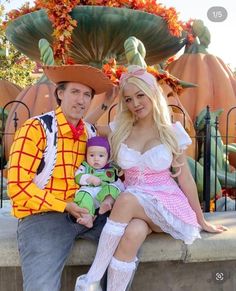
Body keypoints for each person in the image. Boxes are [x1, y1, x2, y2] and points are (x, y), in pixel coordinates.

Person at [75, 65, 228, 291]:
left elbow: (185, 179)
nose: (135, 104)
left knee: (126, 200)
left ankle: (90, 280)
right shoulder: (121, 129)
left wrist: (201, 219)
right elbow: (81, 127)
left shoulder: (171, 132)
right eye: (128, 99)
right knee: (133, 233)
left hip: (163, 203)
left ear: (152, 94)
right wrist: (107, 101)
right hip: (134, 210)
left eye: (140, 95)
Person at [7, 64, 120, 291]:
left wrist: (109, 101)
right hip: (45, 215)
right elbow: (17, 188)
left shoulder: (88, 133)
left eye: (87, 94)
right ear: (60, 94)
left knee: (127, 245)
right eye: (75, 92)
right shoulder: (36, 129)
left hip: (89, 211)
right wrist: (64, 205)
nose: (81, 100)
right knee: (42, 287)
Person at [74, 136, 122, 228]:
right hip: (90, 192)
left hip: (104, 193)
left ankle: (107, 203)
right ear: (86, 155)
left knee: (113, 188)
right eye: (92, 155)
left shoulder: (112, 169)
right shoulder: (85, 166)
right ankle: (88, 217)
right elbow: (78, 176)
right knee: (83, 194)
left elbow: (118, 183)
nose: (96, 159)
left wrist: (118, 189)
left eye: (101, 155)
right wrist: (89, 178)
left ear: (107, 156)